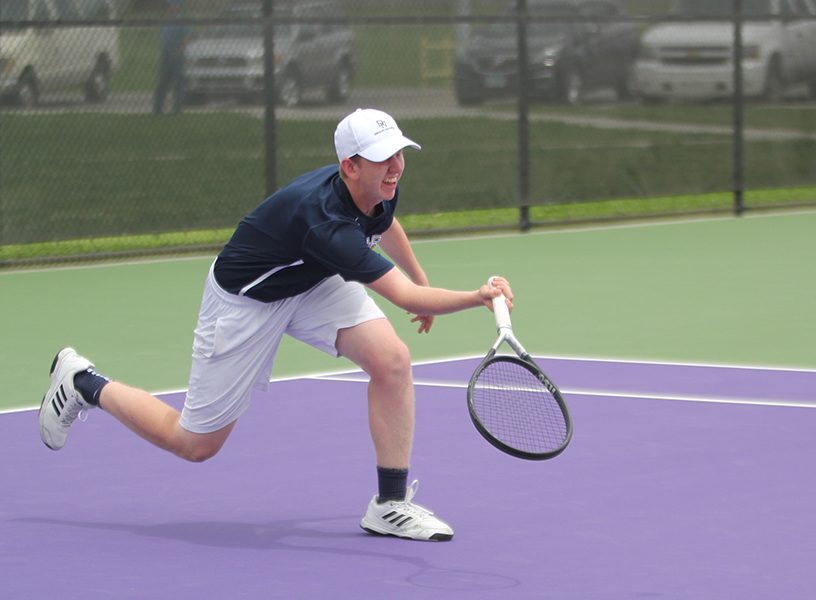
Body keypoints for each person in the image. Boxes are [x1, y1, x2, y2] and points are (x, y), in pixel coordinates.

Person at [39, 108, 514, 543]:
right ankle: (83, 382)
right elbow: (404, 299)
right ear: (349, 165)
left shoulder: (379, 186)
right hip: (246, 302)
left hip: (310, 278)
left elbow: (387, 225)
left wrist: (422, 278)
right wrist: (477, 297)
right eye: (380, 159)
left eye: (398, 154)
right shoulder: (324, 221)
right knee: (196, 444)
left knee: (392, 361)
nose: (394, 167)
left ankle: (389, 506)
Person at [152, 0, 191, 115]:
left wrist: (179, 51)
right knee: (163, 82)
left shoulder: (183, 20)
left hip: (177, 55)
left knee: (179, 82)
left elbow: (187, 38)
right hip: (166, 55)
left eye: (172, 5)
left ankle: (177, 109)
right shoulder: (167, 20)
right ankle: (157, 109)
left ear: (178, 6)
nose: (169, 7)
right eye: (169, 5)